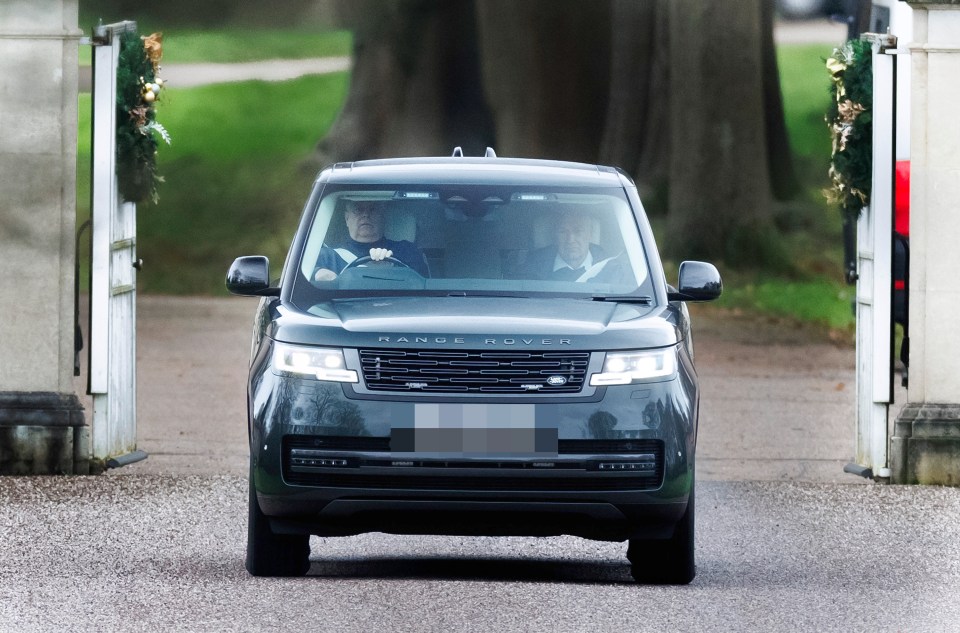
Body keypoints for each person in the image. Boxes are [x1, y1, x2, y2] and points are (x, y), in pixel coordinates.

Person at [313, 200, 429, 281]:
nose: (365, 215)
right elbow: (302, 280)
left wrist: (391, 270)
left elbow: (420, 287)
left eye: (373, 209)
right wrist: (317, 274)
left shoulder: (406, 251)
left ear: (383, 216)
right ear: (347, 218)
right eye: (358, 210)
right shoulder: (327, 257)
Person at [515, 212, 611, 281]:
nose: (570, 240)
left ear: (590, 234)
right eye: (563, 232)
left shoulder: (610, 268)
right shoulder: (530, 269)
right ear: (555, 236)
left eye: (578, 231)